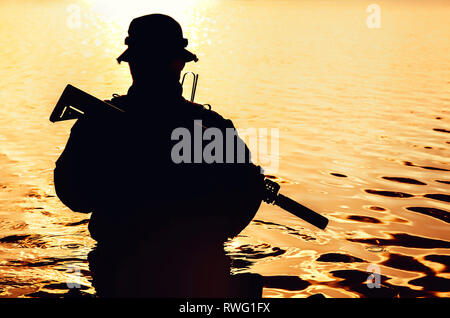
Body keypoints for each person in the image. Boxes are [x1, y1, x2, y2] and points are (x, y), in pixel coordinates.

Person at [54, 14, 264, 297]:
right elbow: (246, 195)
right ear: (179, 63)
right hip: (196, 274)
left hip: (119, 273)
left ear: (131, 63)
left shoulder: (98, 123)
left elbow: (73, 195)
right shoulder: (211, 127)